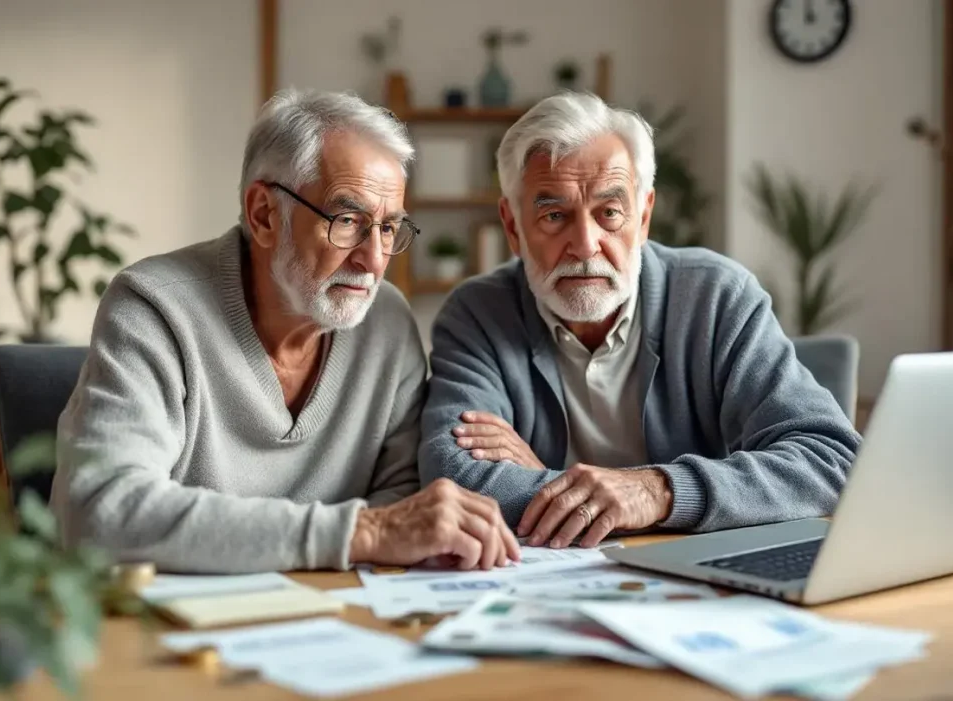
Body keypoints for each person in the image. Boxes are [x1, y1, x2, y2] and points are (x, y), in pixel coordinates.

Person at [51, 88, 519, 574]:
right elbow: (102, 510)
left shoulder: (387, 322)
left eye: (387, 228)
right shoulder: (153, 307)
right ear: (264, 215)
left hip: (335, 621)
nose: (374, 260)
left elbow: (403, 499)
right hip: (168, 633)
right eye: (347, 221)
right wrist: (363, 534)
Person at [419, 92, 861, 550]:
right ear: (513, 227)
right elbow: (453, 478)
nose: (585, 245)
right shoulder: (477, 314)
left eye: (609, 213)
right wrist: (589, 495)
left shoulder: (717, 297)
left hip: (697, 583)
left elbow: (829, 460)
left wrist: (655, 491)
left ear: (644, 215)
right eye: (554, 215)